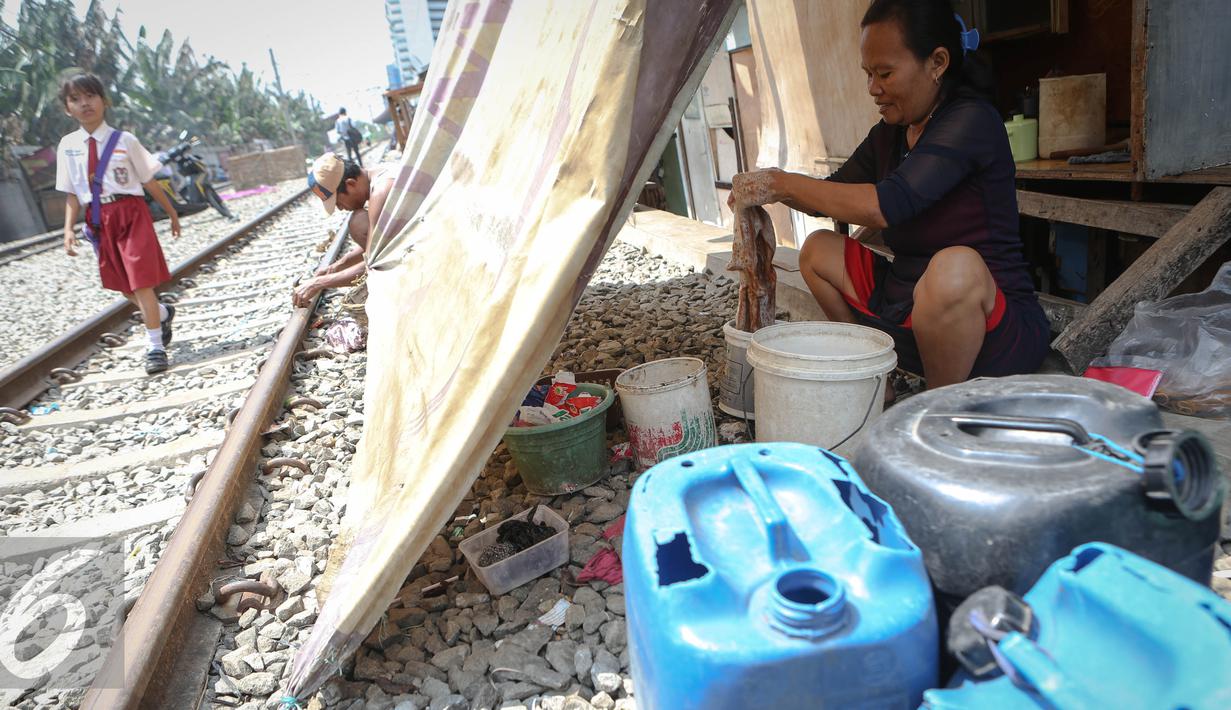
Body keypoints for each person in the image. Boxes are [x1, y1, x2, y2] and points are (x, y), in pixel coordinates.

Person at [730, 0, 1048, 390]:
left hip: (992, 332)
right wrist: (763, 191)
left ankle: (936, 405)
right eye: (868, 74)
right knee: (817, 250)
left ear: (937, 63)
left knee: (954, 269)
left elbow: (887, 205)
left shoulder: (971, 121)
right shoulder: (891, 133)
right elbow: (833, 191)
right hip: (908, 310)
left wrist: (783, 183)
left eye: (885, 73)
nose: (873, 89)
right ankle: (874, 378)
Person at [56, 73, 181, 375]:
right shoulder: (68, 146)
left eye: (90, 96)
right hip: (99, 219)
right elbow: (72, 193)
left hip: (131, 213)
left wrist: (172, 212)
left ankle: (155, 347)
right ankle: (162, 313)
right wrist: (68, 229)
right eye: (75, 99)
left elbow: (149, 181)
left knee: (141, 281)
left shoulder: (125, 141)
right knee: (124, 286)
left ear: (104, 101)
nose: (84, 103)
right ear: (67, 108)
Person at [293, 154, 396, 307]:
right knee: (360, 221)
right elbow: (380, 242)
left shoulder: (381, 193)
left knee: (358, 222)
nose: (340, 208)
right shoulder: (382, 172)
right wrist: (337, 266)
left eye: (338, 202)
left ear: (351, 184)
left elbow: (378, 260)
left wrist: (319, 283)